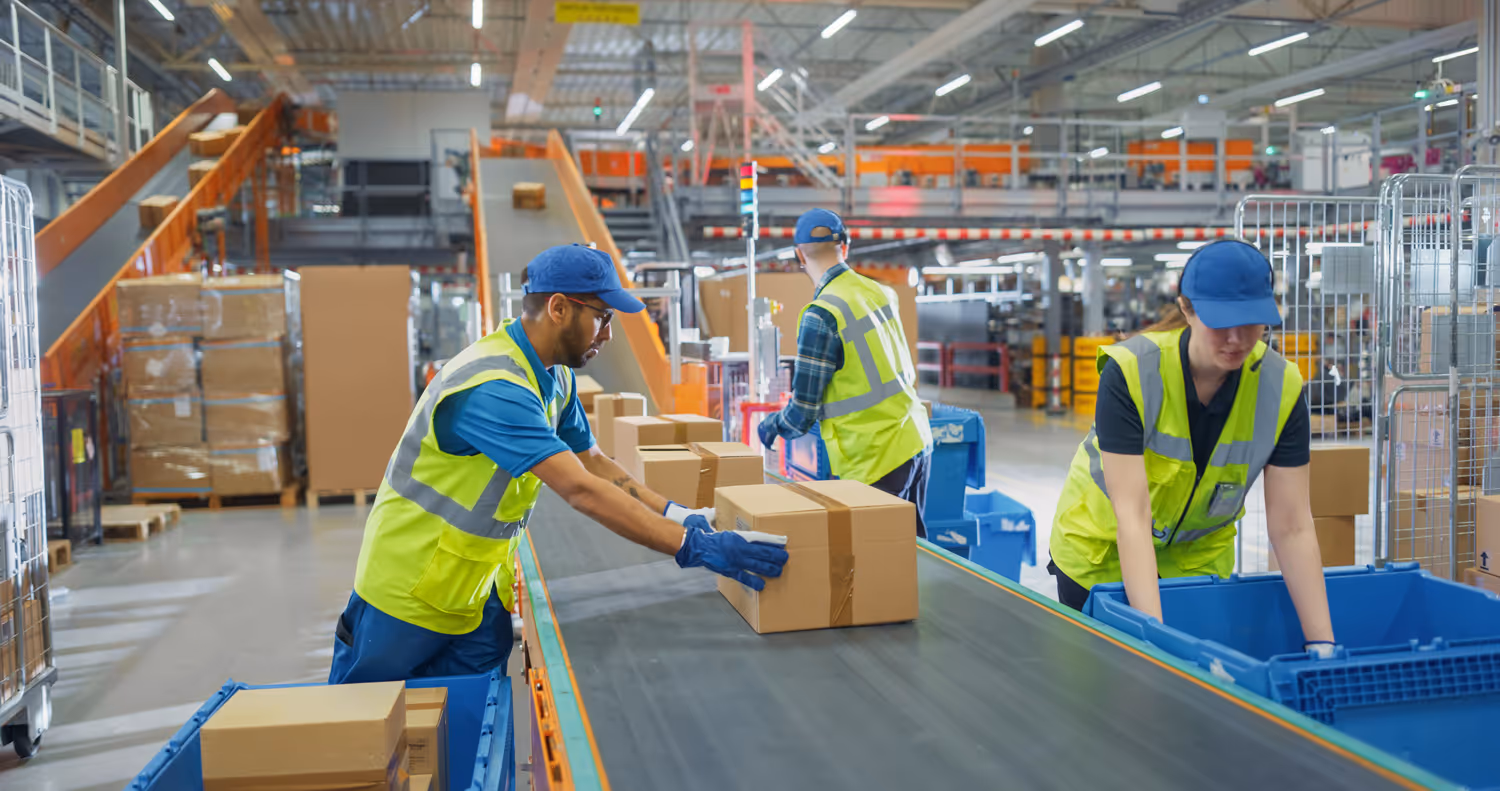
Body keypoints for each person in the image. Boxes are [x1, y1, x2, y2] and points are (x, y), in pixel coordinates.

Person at [329, 244, 789, 684]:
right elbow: (579, 490)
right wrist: (692, 548)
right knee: (369, 739)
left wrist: (676, 513)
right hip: (405, 600)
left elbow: (594, 463)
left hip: (472, 590)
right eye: (602, 318)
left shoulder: (555, 376)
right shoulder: (494, 387)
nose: (608, 334)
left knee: (471, 734)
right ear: (558, 309)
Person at [1048, 240, 1337, 655]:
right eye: (1221, 322)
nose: (1237, 340)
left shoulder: (1281, 388)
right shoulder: (1131, 372)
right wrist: (1153, 639)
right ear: (1187, 309)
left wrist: (1322, 641)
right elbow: (1133, 516)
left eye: (1253, 322)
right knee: (1108, 687)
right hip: (1100, 555)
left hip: (1195, 565)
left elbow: (1291, 524)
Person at [756, 209, 934, 536]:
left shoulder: (821, 314)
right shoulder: (881, 293)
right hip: (915, 442)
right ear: (846, 247)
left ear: (799, 254)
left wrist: (769, 427)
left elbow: (801, 416)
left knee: (875, 566)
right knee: (910, 560)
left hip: (875, 459)